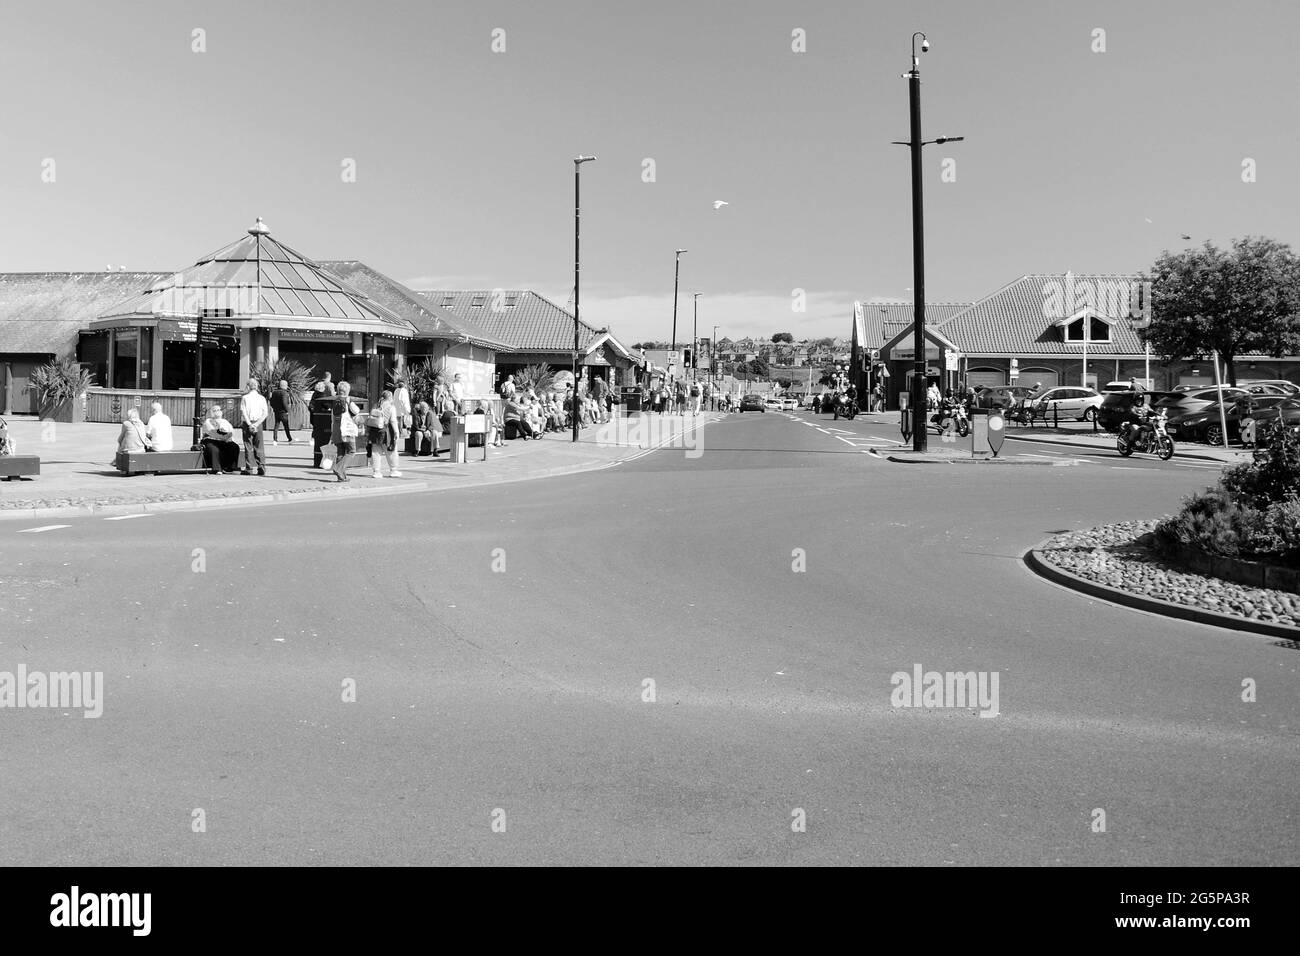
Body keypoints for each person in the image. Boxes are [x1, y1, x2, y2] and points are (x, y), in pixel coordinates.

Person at [330, 382, 361, 482]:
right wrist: (350, 402)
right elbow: (356, 411)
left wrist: (332, 433)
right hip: (347, 430)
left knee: (340, 453)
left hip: (336, 431)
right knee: (351, 451)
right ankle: (338, 468)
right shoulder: (347, 400)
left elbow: (333, 418)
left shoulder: (335, 401)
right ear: (347, 391)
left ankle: (341, 477)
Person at [367, 390, 402, 478]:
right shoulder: (391, 407)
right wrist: (397, 432)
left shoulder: (376, 405)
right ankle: (393, 470)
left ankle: (376, 472)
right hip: (386, 431)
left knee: (375, 452)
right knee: (391, 451)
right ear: (390, 397)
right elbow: (393, 421)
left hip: (374, 431)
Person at [238, 378, 269, 476]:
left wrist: (250, 424)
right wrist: (256, 424)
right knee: (259, 446)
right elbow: (265, 413)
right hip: (258, 423)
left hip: (248, 424)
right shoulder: (262, 398)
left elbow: (244, 412)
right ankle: (261, 467)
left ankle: (249, 468)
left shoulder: (245, 398)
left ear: (248, 386)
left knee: (248, 446)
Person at [200, 405, 240, 474]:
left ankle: (230, 468)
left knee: (234, 447)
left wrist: (228, 436)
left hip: (223, 439)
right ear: (211, 412)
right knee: (214, 449)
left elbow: (231, 431)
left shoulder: (225, 421)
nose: (218, 411)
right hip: (211, 440)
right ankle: (217, 469)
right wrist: (223, 436)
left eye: (219, 410)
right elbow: (212, 433)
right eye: (215, 410)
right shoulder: (208, 421)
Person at [269, 379, 294, 444]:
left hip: (276, 411)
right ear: (284, 386)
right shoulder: (285, 393)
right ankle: (290, 439)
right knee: (286, 426)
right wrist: (287, 410)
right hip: (283, 412)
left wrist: (274, 408)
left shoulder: (274, 392)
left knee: (276, 426)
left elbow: (271, 402)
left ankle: (275, 439)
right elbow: (284, 403)